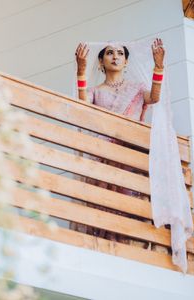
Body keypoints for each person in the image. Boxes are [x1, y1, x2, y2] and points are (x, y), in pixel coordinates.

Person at [70, 39, 166, 247]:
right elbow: (82, 104)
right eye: (110, 53)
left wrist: (158, 67)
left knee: (130, 204)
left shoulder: (137, 88)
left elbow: (154, 98)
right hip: (105, 158)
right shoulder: (96, 90)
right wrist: (81, 71)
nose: (115, 56)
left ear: (126, 62)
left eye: (120, 53)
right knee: (105, 208)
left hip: (131, 157)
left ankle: (134, 246)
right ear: (101, 62)